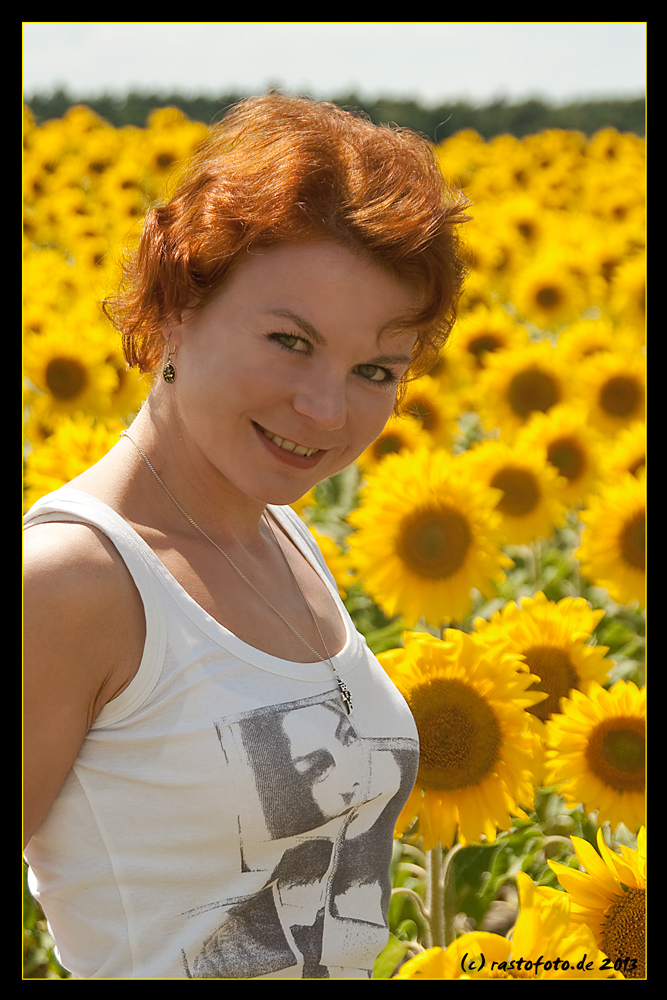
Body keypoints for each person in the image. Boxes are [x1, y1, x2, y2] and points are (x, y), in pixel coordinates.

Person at [23, 92, 471, 979]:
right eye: (289, 341)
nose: (327, 410)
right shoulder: (71, 581)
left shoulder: (282, 540)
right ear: (178, 303)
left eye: (375, 369)